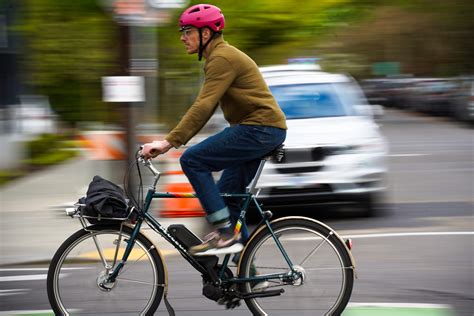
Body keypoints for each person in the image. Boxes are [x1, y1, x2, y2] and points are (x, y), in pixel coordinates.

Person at [141, 4, 287, 256]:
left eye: (187, 31)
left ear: (205, 34)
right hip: (261, 129)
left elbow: (204, 105)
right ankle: (246, 277)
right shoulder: (220, 57)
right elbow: (206, 107)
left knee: (192, 159)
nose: (182, 37)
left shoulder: (222, 58)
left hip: (259, 129)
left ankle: (225, 234)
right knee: (226, 198)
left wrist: (168, 142)